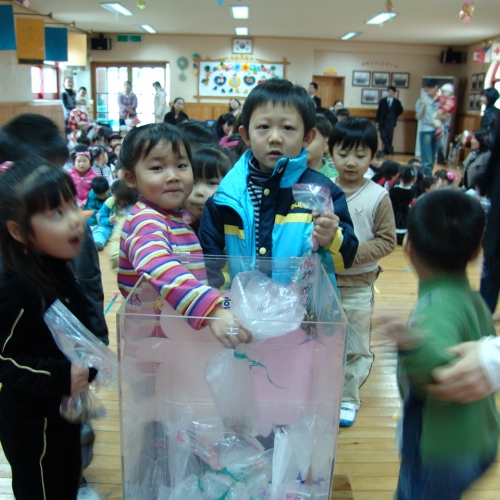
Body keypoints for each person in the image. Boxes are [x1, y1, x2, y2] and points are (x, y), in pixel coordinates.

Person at [382, 189, 499, 500]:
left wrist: (408, 342)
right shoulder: (473, 299)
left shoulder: (437, 306)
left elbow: (440, 372)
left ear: (407, 246)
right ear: (477, 251)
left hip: (441, 452)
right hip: (480, 440)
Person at [198, 79, 358, 290]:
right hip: (241, 313)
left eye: (288, 128)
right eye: (263, 127)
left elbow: (342, 262)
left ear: (307, 137)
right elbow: (208, 260)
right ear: (245, 135)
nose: (275, 137)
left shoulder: (322, 192)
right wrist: (220, 303)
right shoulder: (228, 195)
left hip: (301, 315)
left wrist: (332, 237)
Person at [0, 157, 95, 499]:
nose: (75, 220)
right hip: (31, 422)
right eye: (56, 213)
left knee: (67, 477)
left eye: (73, 204)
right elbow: (5, 358)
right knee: (40, 488)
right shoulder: (17, 290)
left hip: (62, 413)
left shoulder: (58, 267)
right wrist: (60, 376)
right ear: (18, 231)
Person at [118, 122, 251, 347]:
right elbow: (158, 264)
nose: (173, 176)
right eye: (157, 168)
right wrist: (211, 309)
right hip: (154, 348)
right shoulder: (146, 220)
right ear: (131, 179)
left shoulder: (174, 219)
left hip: (176, 341)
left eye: (181, 165)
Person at [330, 117, 397, 427]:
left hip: (358, 285)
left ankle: (347, 398)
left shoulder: (378, 196)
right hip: (325, 281)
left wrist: (351, 254)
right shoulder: (323, 189)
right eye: (343, 153)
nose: (351, 162)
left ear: (373, 156)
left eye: (360, 154)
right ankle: (325, 390)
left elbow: (387, 241)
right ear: (332, 153)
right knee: (323, 337)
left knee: (355, 345)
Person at [184, 145, 233, 234]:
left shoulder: (236, 227)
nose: (199, 192)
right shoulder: (175, 226)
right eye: (193, 183)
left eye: (211, 183)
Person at [416, 78, 440, 176]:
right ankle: (427, 178)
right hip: (426, 130)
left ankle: (429, 176)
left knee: (433, 156)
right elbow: (418, 116)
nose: (430, 89)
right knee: (426, 158)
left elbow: (446, 117)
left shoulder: (441, 101)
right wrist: (423, 108)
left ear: (437, 87)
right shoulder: (422, 101)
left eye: (432, 87)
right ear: (425, 88)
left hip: (438, 130)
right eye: (428, 87)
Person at [390, 165, 415, 245]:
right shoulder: (412, 191)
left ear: (399, 177)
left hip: (394, 212)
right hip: (405, 213)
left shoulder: (394, 190)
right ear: (412, 179)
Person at [376, 86, 404, 156]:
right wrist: (377, 121)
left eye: (392, 91)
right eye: (389, 91)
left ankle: (386, 151)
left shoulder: (397, 102)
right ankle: (390, 149)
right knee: (383, 136)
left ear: (394, 93)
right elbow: (379, 112)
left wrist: (394, 116)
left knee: (389, 137)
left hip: (390, 122)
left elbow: (400, 110)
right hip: (382, 121)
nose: (390, 93)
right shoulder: (383, 101)